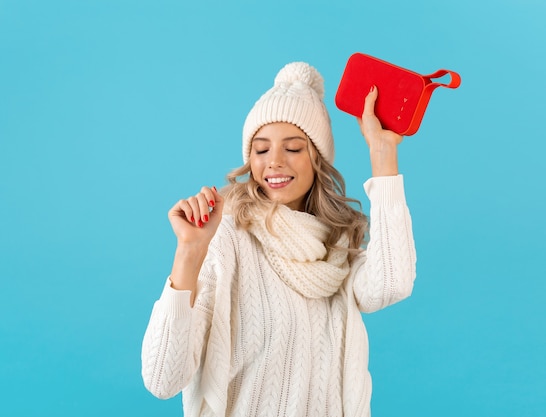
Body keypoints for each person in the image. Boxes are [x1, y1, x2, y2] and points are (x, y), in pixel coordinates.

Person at [141, 61, 417, 417]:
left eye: (293, 148)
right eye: (260, 149)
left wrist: (383, 154)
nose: (274, 162)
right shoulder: (227, 238)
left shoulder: (336, 248)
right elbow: (162, 378)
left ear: (317, 159)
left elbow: (392, 283)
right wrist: (189, 253)